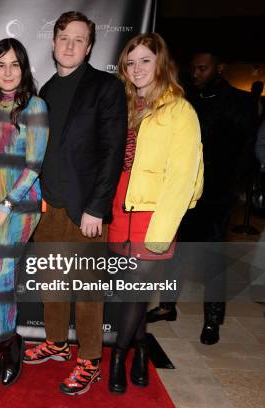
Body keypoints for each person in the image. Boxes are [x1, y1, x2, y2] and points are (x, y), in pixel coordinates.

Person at [22, 11, 127, 396]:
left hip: (85, 208)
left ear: (89, 46)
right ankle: (56, 342)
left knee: (86, 289)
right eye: (63, 37)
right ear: (53, 43)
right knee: (52, 281)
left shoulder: (105, 87)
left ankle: (90, 358)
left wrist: (97, 207)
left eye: (78, 39)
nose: (69, 45)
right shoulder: (45, 91)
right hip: (48, 206)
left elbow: (112, 151)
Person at [107, 33, 203, 394]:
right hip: (119, 210)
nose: (137, 69)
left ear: (161, 63)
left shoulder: (180, 110)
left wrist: (161, 231)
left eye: (145, 60)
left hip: (154, 215)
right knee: (130, 291)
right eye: (131, 63)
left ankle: (119, 357)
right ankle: (142, 347)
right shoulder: (126, 105)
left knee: (134, 291)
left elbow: (182, 178)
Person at [147, 49, 256, 345]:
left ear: (219, 68)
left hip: (218, 195)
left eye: (202, 69)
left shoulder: (241, 102)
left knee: (214, 258)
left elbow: (246, 151)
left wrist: (233, 185)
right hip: (182, 191)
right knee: (175, 253)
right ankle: (168, 306)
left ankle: (212, 319)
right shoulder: (186, 100)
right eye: (193, 69)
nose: (196, 74)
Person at [0, 38, 49, 387]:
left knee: (1, 277)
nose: (8, 72)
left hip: (17, 206)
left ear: (24, 69)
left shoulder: (34, 107)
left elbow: (34, 167)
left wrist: (4, 208)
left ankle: (11, 346)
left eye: (15, 65)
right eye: (1, 65)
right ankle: (9, 344)